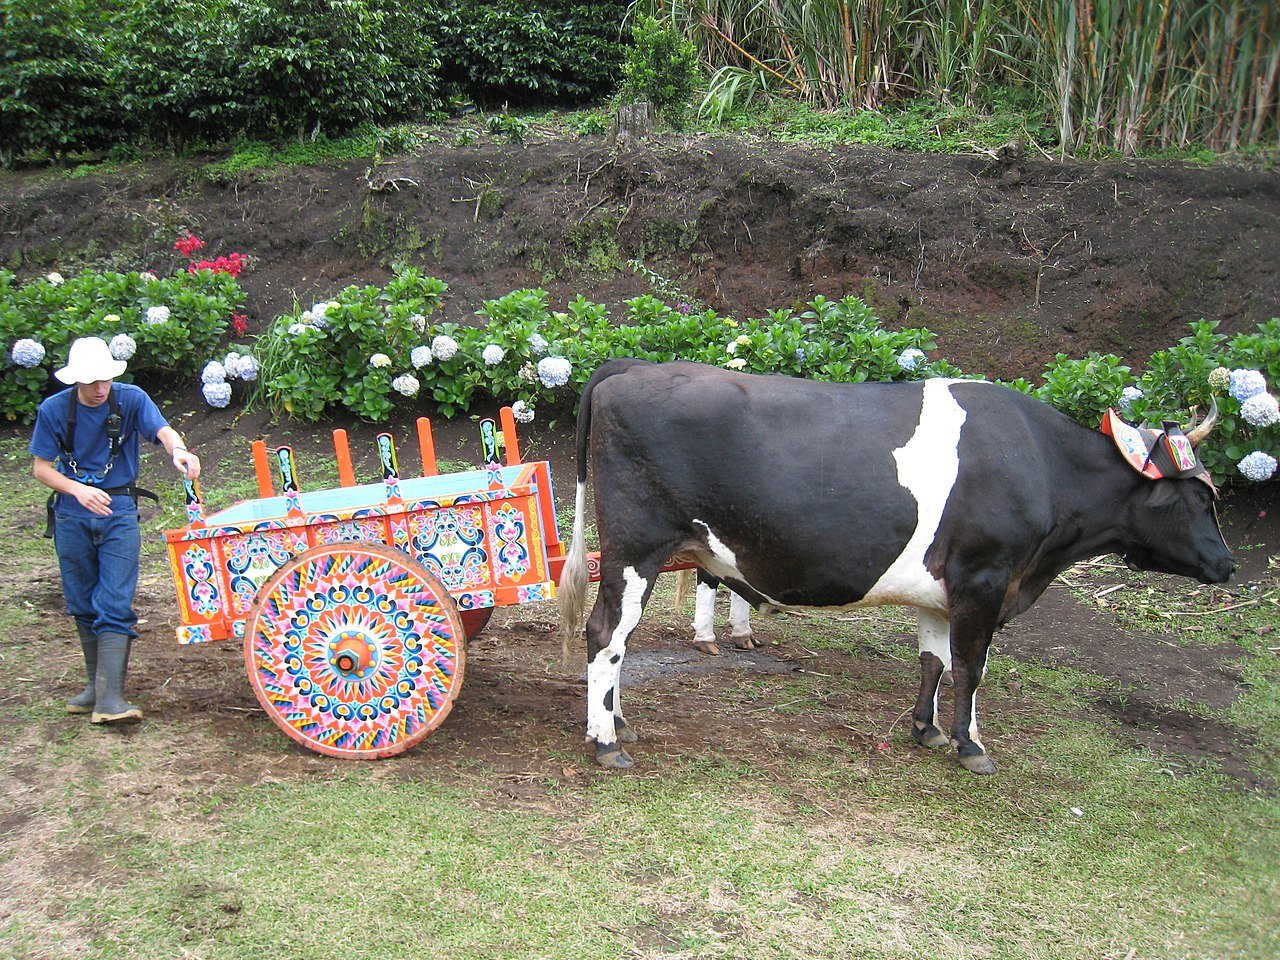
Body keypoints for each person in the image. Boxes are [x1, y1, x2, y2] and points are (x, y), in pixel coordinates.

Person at [29, 336, 201, 724]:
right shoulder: (53, 410)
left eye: (105, 379)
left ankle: (110, 699)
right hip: (72, 516)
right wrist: (78, 490)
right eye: (91, 381)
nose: (100, 389)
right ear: (75, 380)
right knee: (80, 600)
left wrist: (178, 451)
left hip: (119, 512)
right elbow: (41, 468)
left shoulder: (131, 399)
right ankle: (97, 689)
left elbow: (164, 431)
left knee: (115, 601)